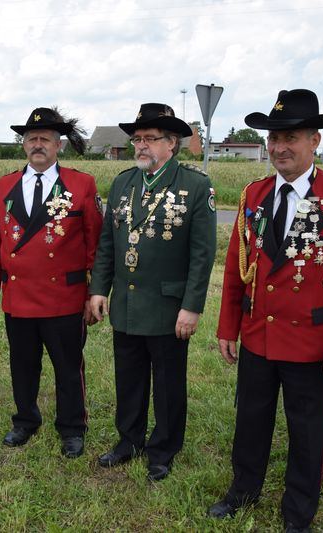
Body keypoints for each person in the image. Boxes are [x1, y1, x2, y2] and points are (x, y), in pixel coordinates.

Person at [208, 89, 323, 532]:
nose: (280, 147)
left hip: (312, 342)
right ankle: (242, 492)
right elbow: (236, 267)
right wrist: (228, 327)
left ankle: (298, 512)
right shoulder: (255, 194)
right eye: (273, 137)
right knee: (251, 423)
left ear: (315, 141)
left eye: (291, 137)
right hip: (260, 334)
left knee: (307, 435)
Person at [90, 103, 217, 481]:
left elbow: (202, 253)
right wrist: (99, 288)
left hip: (167, 306)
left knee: (167, 384)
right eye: (137, 139)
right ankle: (128, 440)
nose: (141, 146)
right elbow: (108, 244)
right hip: (127, 303)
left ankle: (163, 449)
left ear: (172, 143)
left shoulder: (194, 186)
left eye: (150, 139)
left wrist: (191, 306)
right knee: (128, 378)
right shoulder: (123, 183)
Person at [0, 107, 103, 458]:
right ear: (23, 145)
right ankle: (25, 421)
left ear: (58, 145)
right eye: (31, 139)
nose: (38, 145)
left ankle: (72, 427)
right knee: (22, 364)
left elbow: (96, 244)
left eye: (45, 139)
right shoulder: (5, 184)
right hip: (18, 295)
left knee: (67, 366)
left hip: (63, 296)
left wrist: (94, 294)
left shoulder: (81, 185)